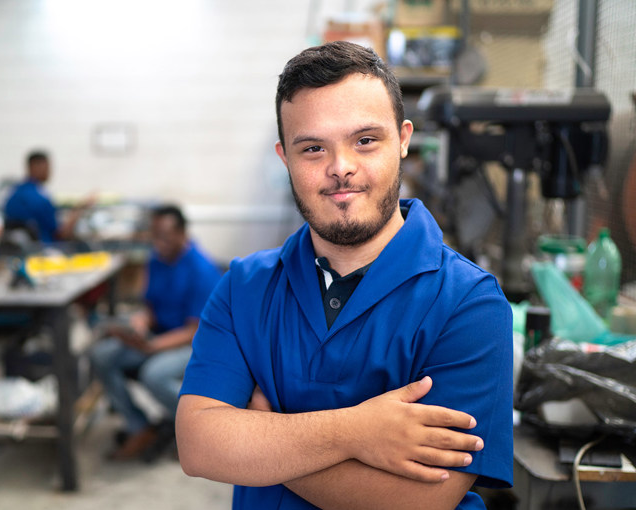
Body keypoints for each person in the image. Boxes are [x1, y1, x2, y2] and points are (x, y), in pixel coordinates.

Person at [176, 41, 513, 509]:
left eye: (365, 140)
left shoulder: (468, 304)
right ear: (285, 159)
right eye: (312, 148)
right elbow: (199, 445)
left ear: (403, 139)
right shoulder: (243, 289)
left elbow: (420, 500)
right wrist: (356, 432)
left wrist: (263, 444)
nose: (341, 168)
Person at [90, 204, 222, 460]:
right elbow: (151, 306)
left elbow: (194, 331)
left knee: (155, 374)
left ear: (182, 233)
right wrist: (141, 322)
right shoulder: (156, 260)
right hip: (159, 336)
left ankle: (199, 429)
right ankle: (138, 426)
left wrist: (153, 347)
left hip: (196, 345)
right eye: (154, 235)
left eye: (164, 236)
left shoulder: (201, 270)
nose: (157, 242)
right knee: (102, 355)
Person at [3, 150, 87, 243]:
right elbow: (61, 234)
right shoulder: (39, 199)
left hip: (21, 250)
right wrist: (78, 212)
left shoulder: (14, 192)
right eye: (47, 167)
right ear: (33, 167)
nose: (49, 171)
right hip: (44, 249)